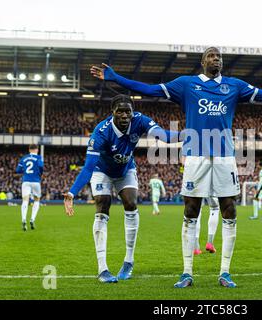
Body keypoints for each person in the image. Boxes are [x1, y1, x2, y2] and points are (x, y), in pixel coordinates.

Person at [90, 47, 262, 288]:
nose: (216, 59)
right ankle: (186, 272)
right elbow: (149, 89)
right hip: (195, 156)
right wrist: (114, 77)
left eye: (219, 56)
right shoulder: (186, 84)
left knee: (229, 208)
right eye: (211, 55)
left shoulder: (234, 86)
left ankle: (225, 272)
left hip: (225, 157)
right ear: (202, 61)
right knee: (191, 209)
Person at [63, 95, 180, 283]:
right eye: (120, 111)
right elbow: (88, 168)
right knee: (102, 204)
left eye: (128, 111)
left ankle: (128, 261)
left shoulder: (139, 120)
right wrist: (71, 193)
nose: (125, 115)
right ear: (113, 112)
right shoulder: (101, 132)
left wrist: (186, 135)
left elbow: (163, 136)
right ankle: (103, 269)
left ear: (132, 112)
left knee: (131, 203)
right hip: (102, 171)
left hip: (126, 169)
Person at [16, 144, 44, 231]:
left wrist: (25, 170)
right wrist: (40, 173)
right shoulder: (39, 157)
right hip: (36, 181)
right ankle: (32, 219)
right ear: (37, 150)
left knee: (25, 200)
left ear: (29, 149)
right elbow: (41, 166)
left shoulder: (23, 158)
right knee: (36, 200)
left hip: (26, 181)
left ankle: (23, 219)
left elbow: (18, 170)